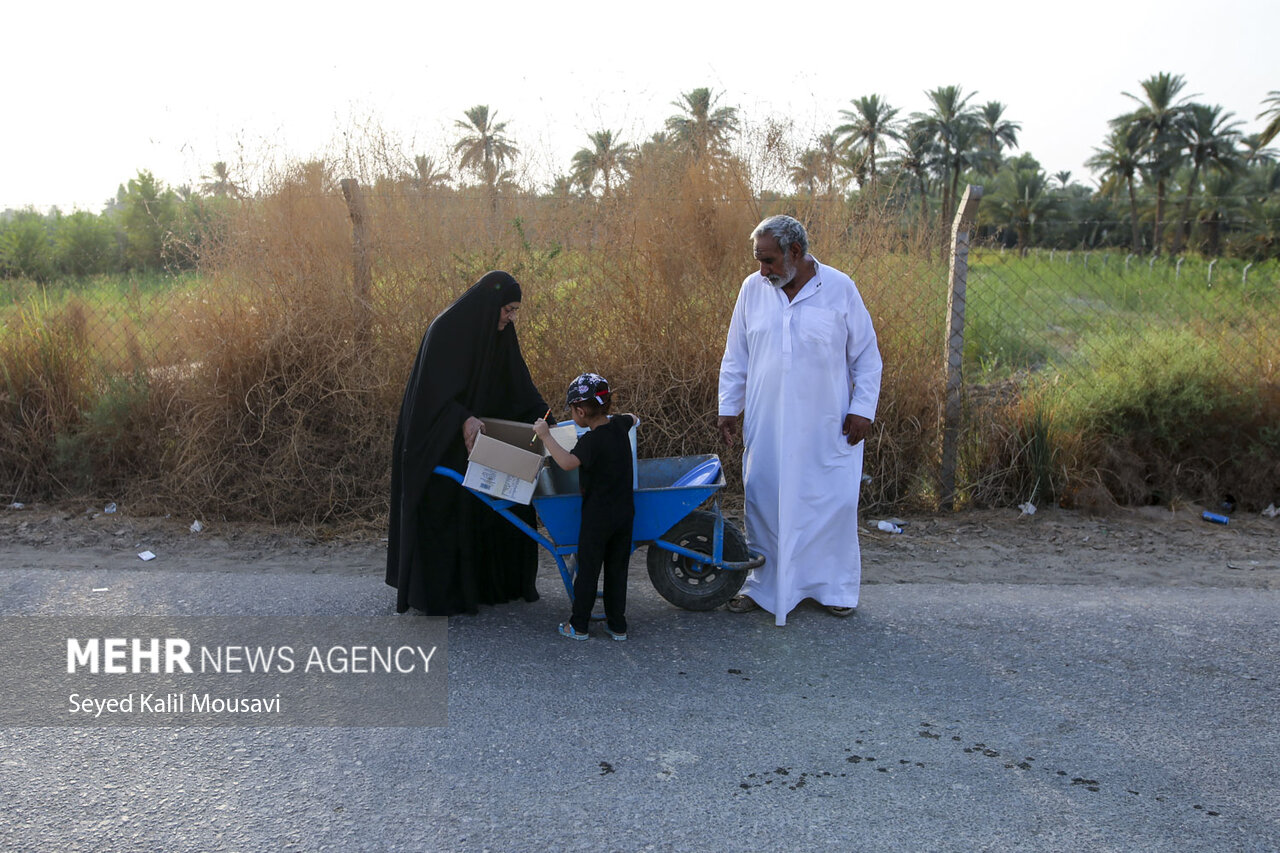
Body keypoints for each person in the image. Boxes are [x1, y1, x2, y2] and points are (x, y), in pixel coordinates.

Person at [717, 215, 883, 626]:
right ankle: (762, 587)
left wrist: (862, 409)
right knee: (765, 500)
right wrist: (728, 406)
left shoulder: (839, 288)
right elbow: (736, 354)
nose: (763, 270)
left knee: (830, 503)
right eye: (759, 260)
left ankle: (833, 590)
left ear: (795, 253)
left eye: (769, 260)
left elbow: (866, 356)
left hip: (826, 424)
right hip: (766, 422)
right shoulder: (752, 290)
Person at [386, 270, 549, 616]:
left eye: (515, 310)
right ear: (491, 304)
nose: (512, 317)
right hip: (439, 444)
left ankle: (494, 586)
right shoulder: (446, 331)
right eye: (508, 309)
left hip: (482, 443)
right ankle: (442, 595)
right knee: (445, 508)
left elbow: (519, 386)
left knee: (506, 502)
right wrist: (462, 418)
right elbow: (428, 400)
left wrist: (545, 418)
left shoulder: (501, 336)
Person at [533, 373, 637, 641]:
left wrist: (545, 436)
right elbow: (634, 418)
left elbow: (567, 463)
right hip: (625, 514)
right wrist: (617, 415)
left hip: (597, 517)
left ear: (579, 411)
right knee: (617, 571)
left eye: (572, 410)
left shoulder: (590, 441)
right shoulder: (621, 425)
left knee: (588, 570)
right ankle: (618, 627)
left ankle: (578, 626)